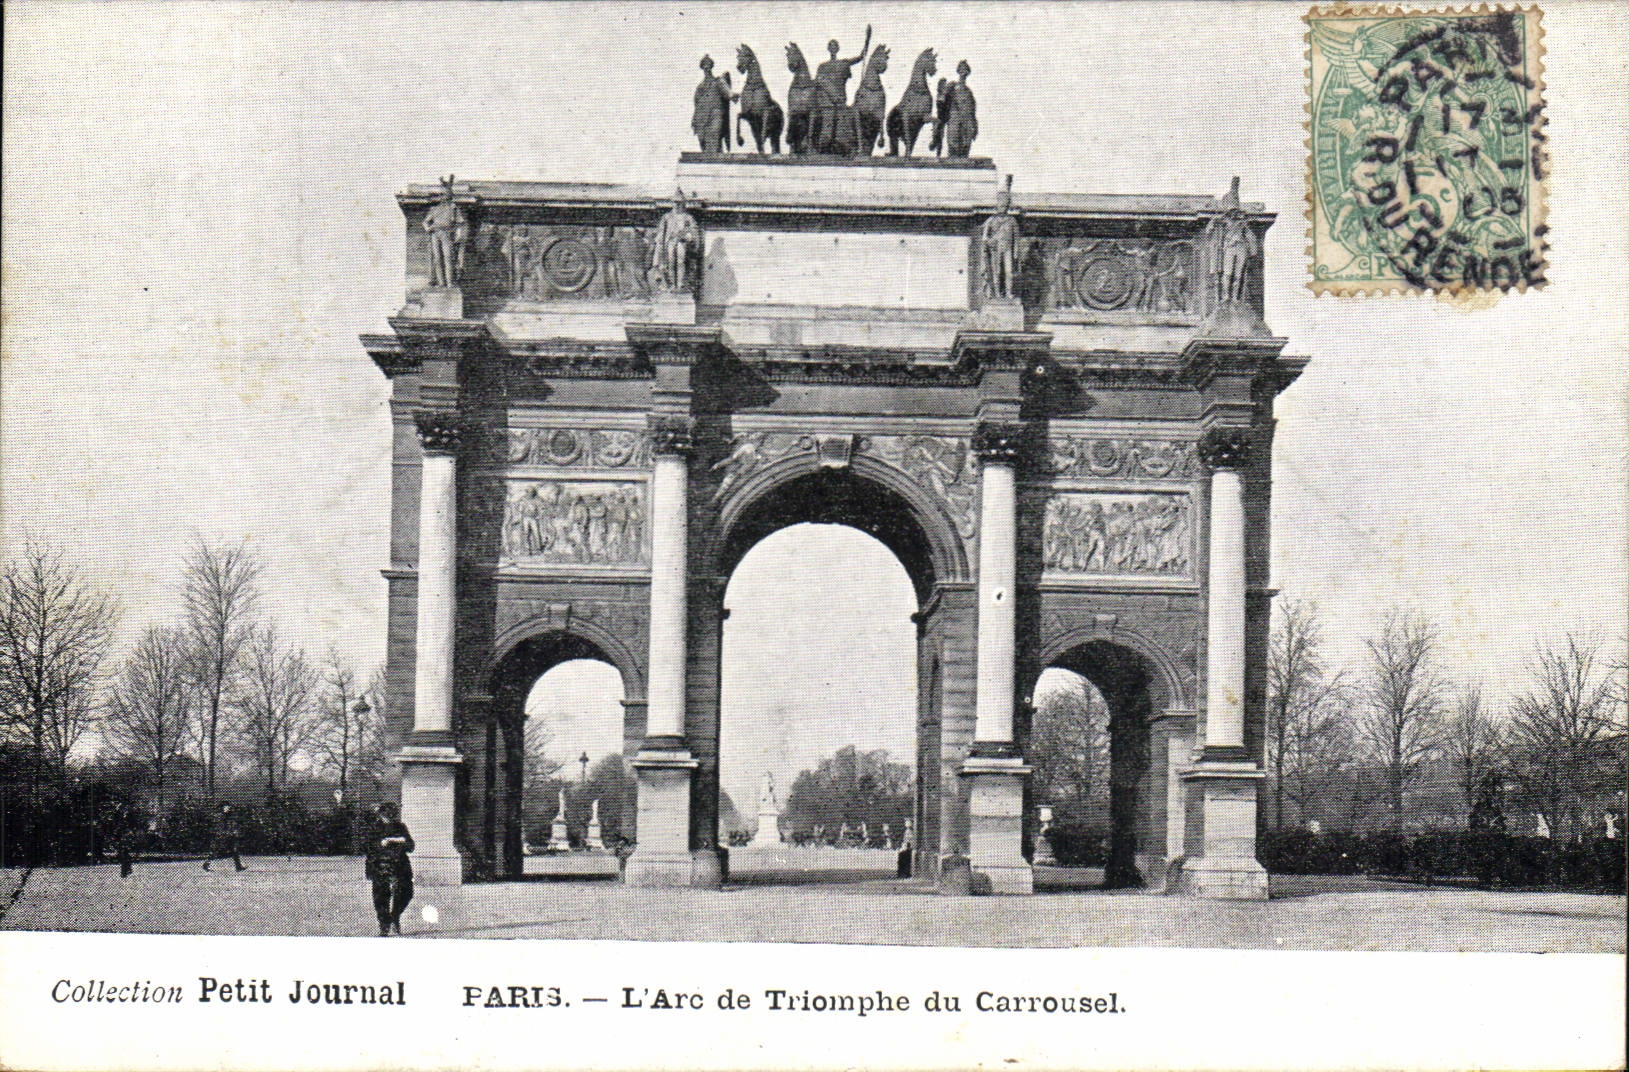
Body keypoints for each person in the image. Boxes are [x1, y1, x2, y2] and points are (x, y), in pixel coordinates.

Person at [364, 801, 415, 936]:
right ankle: (384, 924)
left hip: (400, 866)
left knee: (406, 893)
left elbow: (411, 846)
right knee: (381, 898)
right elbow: (368, 848)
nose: (389, 818)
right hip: (380, 866)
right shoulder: (374, 828)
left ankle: (395, 916)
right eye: (386, 815)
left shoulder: (401, 827)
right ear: (381, 814)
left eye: (392, 815)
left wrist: (396, 840)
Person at [202, 801, 244, 872]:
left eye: (228, 807)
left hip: (226, 835)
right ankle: (206, 864)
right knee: (216, 851)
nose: (228, 808)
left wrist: (231, 832)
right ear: (223, 807)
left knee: (234, 850)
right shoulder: (220, 816)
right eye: (226, 807)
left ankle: (238, 866)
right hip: (221, 836)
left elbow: (228, 826)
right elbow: (219, 827)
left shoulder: (226, 815)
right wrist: (227, 833)